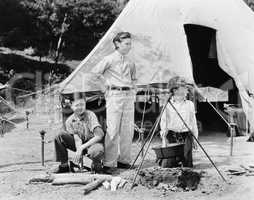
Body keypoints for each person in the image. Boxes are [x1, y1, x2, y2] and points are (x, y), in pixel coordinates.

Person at [92, 32, 137, 172]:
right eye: (126, 43)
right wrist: (104, 89)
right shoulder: (109, 59)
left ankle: (124, 160)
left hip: (128, 96)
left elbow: (134, 79)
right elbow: (95, 73)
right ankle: (109, 163)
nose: (129, 46)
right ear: (117, 44)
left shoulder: (130, 62)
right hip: (114, 95)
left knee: (127, 130)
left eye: (130, 44)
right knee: (113, 129)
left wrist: (133, 92)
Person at [53, 99, 104, 173]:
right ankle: (64, 165)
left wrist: (81, 148)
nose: (80, 107)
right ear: (72, 107)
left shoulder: (90, 115)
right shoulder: (69, 121)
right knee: (59, 136)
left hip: (92, 144)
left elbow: (99, 136)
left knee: (97, 150)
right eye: (77, 105)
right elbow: (77, 139)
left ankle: (96, 165)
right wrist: (78, 151)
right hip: (81, 145)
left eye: (82, 105)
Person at [160, 79, 198, 168]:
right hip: (171, 135)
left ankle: (182, 158)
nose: (187, 90)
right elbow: (163, 122)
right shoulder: (167, 104)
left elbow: (193, 122)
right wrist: (164, 137)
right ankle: (168, 160)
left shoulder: (190, 104)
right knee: (168, 165)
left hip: (186, 135)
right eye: (184, 88)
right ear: (175, 90)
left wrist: (195, 138)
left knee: (187, 165)